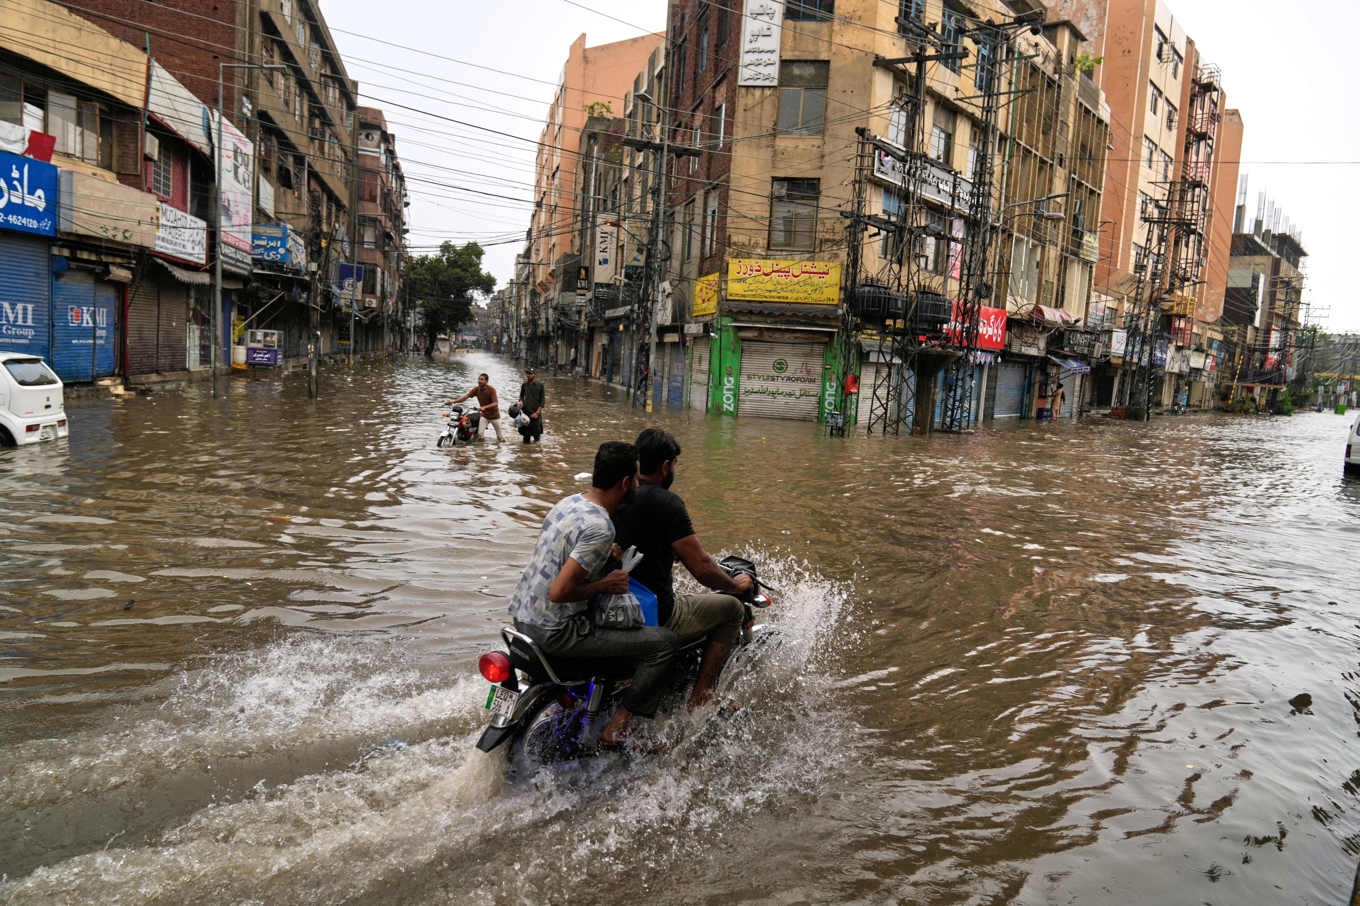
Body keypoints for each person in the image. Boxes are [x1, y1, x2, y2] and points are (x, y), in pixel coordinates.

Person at [508, 441, 678, 750]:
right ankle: (618, 728)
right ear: (625, 483)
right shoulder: (601, 526)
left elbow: (558, 560)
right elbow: (560, 592)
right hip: (556, 632)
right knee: (663, 644)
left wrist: (602, 559)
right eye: (635, 480)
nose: (638, 485)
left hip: (523, 621)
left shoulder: (568, 503)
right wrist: (605, 584)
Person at [612, 428, 754, 710]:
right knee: (731, 610)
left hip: (614, 604)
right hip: (656, 612)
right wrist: (736, 586)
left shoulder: (617, 493)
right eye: (675, 464)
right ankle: (702, 695)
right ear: (666, 466)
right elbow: (702, 568)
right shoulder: (668, 503)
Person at [449, 373, 503, 442]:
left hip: (495, 416)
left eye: (482, 379)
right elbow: (466, 397)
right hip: (484, 416)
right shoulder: (476, 389)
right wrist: (453, 402)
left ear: (486, 381)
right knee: (480, 435)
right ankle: (481, 451)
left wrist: (484, 407)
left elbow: (495, 403)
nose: (479, 381)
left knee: (500, 437)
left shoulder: (491, 390)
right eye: (479, 379)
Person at [516, 366, 545, 443]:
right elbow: (521, 396)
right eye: (527, 373)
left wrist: (537, 413)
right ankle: (526, 453)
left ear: (534, 375)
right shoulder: (524, 385)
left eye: (530, 374)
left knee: (537, 437)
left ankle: (535, 453)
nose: (528, 375)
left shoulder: (540, 385)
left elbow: (542, 401)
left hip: (535, 414)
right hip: (526, 413)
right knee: (526, 437)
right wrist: (521, 401)